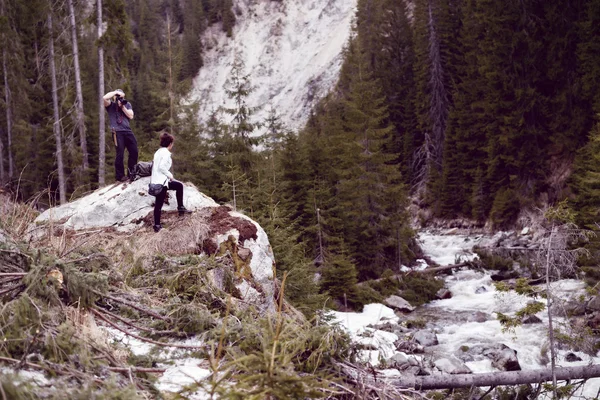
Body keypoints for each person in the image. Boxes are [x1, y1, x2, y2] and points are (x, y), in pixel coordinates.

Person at [150, 131, 192, 232]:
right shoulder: (166, 153)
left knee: (178, 186)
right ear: (170, 144)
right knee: (159, 204)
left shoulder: (158, 152)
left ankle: (180, 208)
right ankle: (157, 225)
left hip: (156, 181)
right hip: (161, 183)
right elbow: (161, 167)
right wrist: (170, 175)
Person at [103, 89, 138, 182]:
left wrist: (122, 107)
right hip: (117, 132)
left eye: (121, 97)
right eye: (118, 97)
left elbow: (131, 116)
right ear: (114, 97)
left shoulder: (127, 104)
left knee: (134, 151)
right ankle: (120, 176)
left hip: (127, 131)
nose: (119, 99)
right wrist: (115, 93)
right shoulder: (110, 106)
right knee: (120, 154)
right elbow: (104, 98)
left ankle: (132, 173)